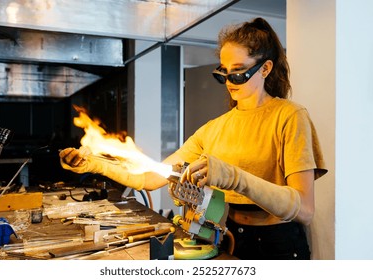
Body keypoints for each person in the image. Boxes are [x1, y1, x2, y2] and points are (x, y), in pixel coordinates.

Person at [59, 17, 327, 260]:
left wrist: (235, 178)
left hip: (279, 244)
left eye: (239, 72)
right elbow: (150, 178)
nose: (230, 80)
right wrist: (95, 165)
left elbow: (304, 209)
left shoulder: (289, 116)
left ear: (265, 68)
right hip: (234, 236)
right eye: (224, 72)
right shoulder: (215, 128)